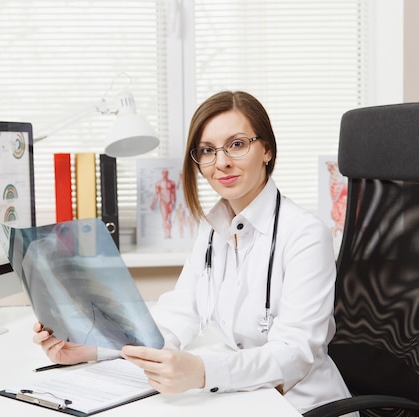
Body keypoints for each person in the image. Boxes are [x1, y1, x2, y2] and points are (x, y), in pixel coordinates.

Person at [33, 90, 353, 414]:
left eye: (237, 144)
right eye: (207, 150)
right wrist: (94, 348)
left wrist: (201, 371)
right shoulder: (213, 229)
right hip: (243, 398)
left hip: (302, 405)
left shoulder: (305, 235)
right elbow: (179, 314)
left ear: (267, 149)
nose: (222, 162)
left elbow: (294, 354)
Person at [150, 168, 176, 239]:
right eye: (164, 172)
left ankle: (169, 234)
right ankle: (165, 234)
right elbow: (156, 194)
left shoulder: (172, 183)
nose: (165, 174)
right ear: (162, 174)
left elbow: (174, 194)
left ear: (168, 173)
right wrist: (153, 204)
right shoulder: (159, 183)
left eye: (166, 172)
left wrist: (174, 202)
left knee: (169, 218)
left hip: (169, 202)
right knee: (164, 218)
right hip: (163, 202)